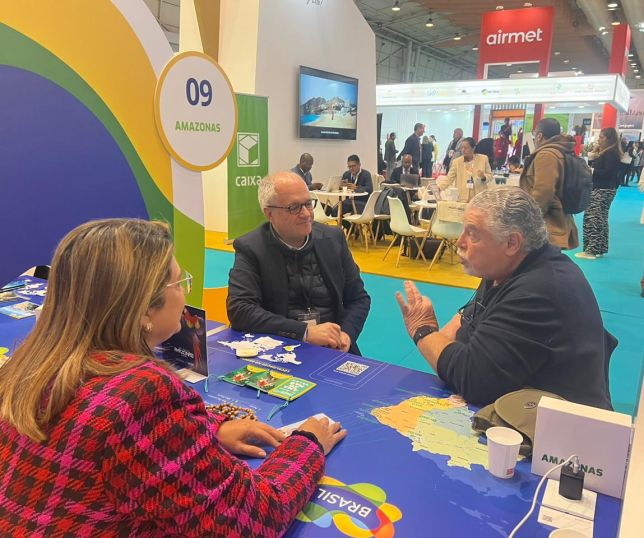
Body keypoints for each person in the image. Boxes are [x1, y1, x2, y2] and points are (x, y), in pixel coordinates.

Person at [0, 218, 347, 536]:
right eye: (179, 282)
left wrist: (208, 429)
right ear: (143, 308)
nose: (184, 294)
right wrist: (308, 444)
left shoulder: (29, 364)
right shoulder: (142, 392)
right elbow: (253, 518)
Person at [396, 187, 614, 409]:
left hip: (562, 426)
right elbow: (466, 330)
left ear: (512, 243)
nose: (460, 242)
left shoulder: (538, 291)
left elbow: (472, 379)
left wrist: (423, 329)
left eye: (472, 234)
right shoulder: (507, 268)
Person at [228, 171, 371, 355]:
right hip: (281, 349)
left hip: (335, 348)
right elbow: (241, 310)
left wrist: (346, 334)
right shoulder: (251, 248)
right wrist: (304, 333)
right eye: (293, 207)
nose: (306, 214)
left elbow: (359, 298)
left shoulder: (333, 239)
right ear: (269, 213)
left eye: (308, 204)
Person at [519, 117, 579, 250]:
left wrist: (530, 220)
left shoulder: (546, 155)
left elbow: (543, 192)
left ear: (539, 136)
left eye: (535, 134)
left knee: (541, 258)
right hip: (555, 218)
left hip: (548, 223)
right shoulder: (560, 150)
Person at [575, 127, 622, 260]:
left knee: (593, 218)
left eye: (601, 137)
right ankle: (600, 248)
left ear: (609, 139)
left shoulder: (610, 153)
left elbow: (607, 172)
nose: (598, 140)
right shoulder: (609, 152)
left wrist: (591, 171)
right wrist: (593, 158)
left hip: (602, 189)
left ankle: (591, 250)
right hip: (605, 188)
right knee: (601, 218)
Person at [438, 137, 493, 202]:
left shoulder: (483, 159)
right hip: (462, 198)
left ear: (473, 148)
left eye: (466, 148)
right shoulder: (457, 162)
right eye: (462, 148)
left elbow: (490, 176)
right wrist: (439, 188)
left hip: (479, 198)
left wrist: (483, 177)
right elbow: (449, 178)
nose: (463, 150)